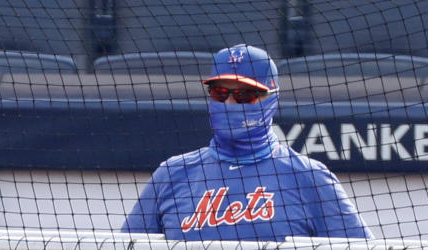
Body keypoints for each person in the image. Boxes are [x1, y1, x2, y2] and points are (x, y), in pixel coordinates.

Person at [122, 43, 371, 240]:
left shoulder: (310, 177)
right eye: (220, 93)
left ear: (271, 99)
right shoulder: (172, 174)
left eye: (245, 95)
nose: (229, 104)